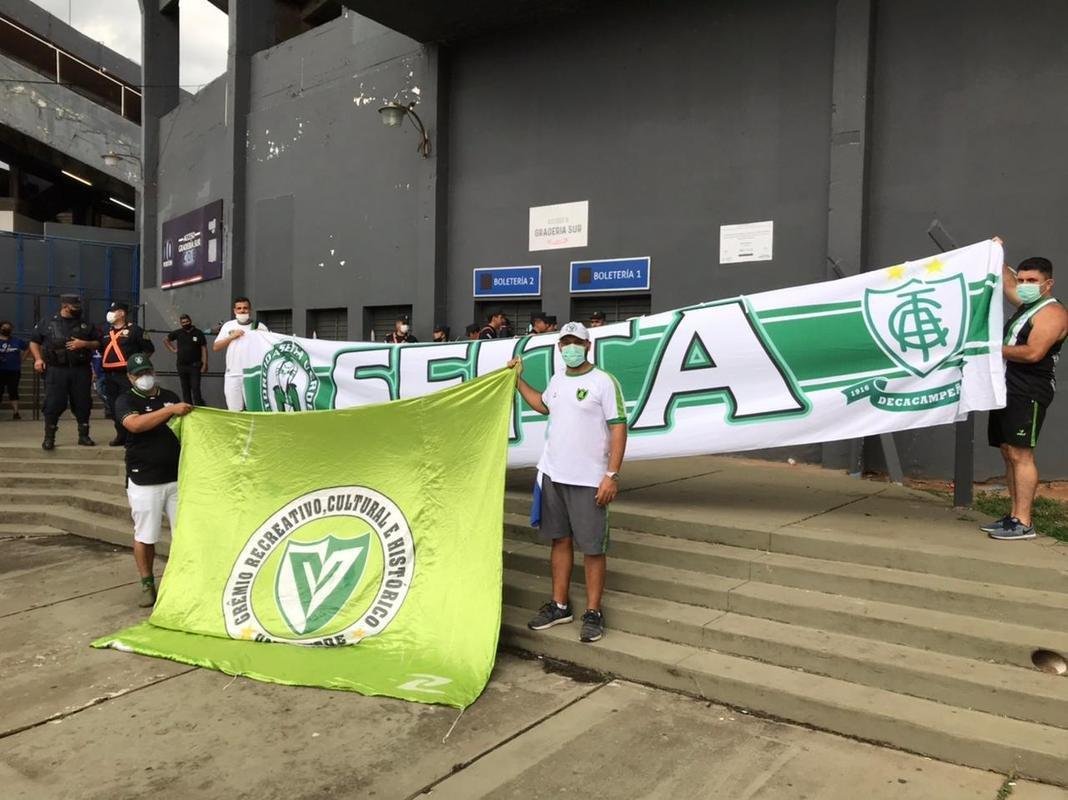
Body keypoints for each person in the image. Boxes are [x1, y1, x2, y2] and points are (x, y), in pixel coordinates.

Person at [508, 321, 628, 643]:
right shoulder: (557, 380)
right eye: (565, 342)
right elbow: (542, 404)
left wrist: (611, 475)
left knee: (592, 548)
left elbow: (618, 427)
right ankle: (561, 606)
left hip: (590, 481)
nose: (570, 347)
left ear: (588, 346)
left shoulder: (604, 382)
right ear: (559, 347)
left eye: (576, 342)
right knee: (559, 541)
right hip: (553, 475)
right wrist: (517, 381)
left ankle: (593, 612)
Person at [982, 247, 1068, 541]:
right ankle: (1013, 516)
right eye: (1022, 280)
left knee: (1021, 453)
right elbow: (1007, 282)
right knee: (1008, 451)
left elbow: (1033, 353)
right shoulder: (1027, 304)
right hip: (1007, 386)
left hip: (1028, 390)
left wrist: (991, 349)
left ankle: (1024, 521)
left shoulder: (1052, 312)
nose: (1024, 285)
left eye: (1032, 281)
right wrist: (994, 252)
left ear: (1048, 284)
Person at [114, 353, 192, 606]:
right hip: (144, 479)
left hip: (176, 477)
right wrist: (169, 411)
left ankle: (185, 580)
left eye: (147, 371)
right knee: (146, 534)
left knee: (186, 533)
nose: (144, 377)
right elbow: (135, 425)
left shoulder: (169, 396)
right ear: (130, 377)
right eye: (138, 374)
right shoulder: (125, 400)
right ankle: (147, 583)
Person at [28, 293, 101, 449]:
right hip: (56, 370)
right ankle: (49, 437)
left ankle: (84, 435)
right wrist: (38, 359)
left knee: (83, 403)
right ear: (65, 306)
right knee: (53, 403)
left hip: (80, 370)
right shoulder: (47, 322)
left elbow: (98, 343)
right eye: (75, 307)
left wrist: (84, 344)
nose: (78, 309)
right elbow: (34, 342)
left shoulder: (86, 324)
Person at [100, 302, 154, 446]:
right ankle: (121, 434)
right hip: (109, 375)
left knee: (130, 405)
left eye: (114, 310)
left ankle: (132, 436)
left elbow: (148, 349)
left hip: (127, 375)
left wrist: (138, 367)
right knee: (113, 406)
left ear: (122, 313)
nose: (110, 313)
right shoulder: (106, 331)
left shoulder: (135, 330)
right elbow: (102, 350)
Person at [213, 297, 268, 411]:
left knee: (255, 410)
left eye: (245, 308)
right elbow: (216, 347)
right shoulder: (228, 326)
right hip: (233, 374)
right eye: (239, 308)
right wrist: (231, 336)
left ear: (250, 310)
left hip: (253, 374)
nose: (242, 311)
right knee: (234, 410)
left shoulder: (259, 326)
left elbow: (269, 346)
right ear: (234, 311)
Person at [164, 314, 208, 405]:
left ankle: (199, 408)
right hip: (182, 365)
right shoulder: (178, 332)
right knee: (185, 389)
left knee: (195, 388)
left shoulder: (198, 333)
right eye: (183, 322)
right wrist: (173, 350)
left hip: (195, 365)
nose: (185, 324)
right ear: (180, 323)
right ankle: (188, 408)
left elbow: (204, 348)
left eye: (187, 322)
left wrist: (205, 364)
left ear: (190, 321)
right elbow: (166, 340)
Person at [0, 320, 29, 419]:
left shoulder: (17, 340)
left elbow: (27, 348)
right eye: (4, 327)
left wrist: (22, 359)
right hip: (1, 370)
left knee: (13, 390)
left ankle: (16, 413)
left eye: (8, 328)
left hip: (14, 370)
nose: (6, 329)